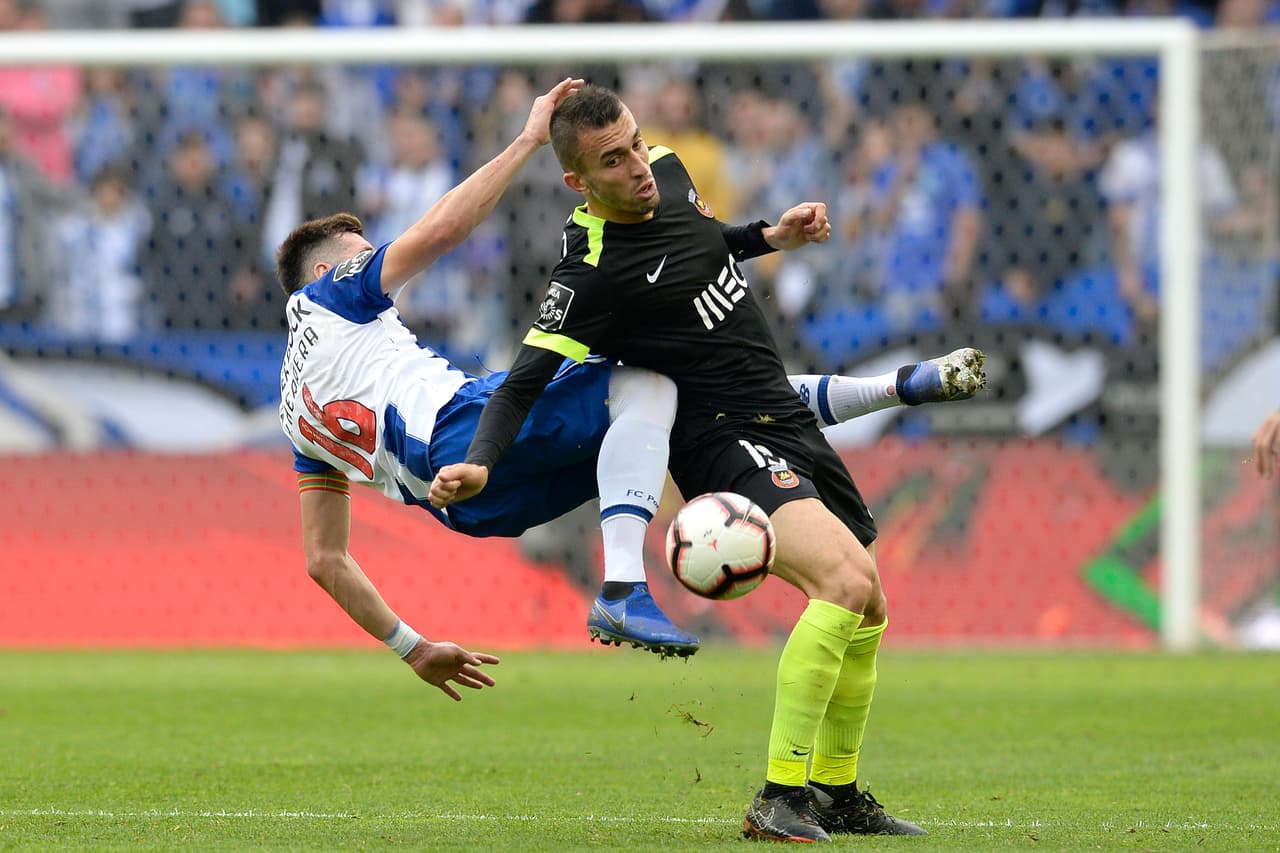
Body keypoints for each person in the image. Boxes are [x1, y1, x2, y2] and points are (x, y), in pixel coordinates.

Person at [277, 80, 985, 687]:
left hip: (467, 505)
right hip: (470, 432)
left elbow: (324, 559)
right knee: (648, 380)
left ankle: (895, 385)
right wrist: (526, 140)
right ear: (325, 274)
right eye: (364, 257)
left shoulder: (295, 414)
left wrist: (413, 646)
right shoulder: (333, 294)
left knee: (673, 408)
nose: (378, 269)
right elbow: (437, 237)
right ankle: (622, 586)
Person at [428, 84, 932, 842]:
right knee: (844, 581)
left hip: (779, 410)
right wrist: (481, 465)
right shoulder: (588, 274)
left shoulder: (666, 167)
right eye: (613, 159)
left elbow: (702, 242)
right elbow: (524, 382)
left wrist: (770, 236)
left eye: (635, 142)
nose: (637, 165)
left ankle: (837, 790)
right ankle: (777, 797)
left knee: (870, 604)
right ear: (578, 182)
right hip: (717, 433)